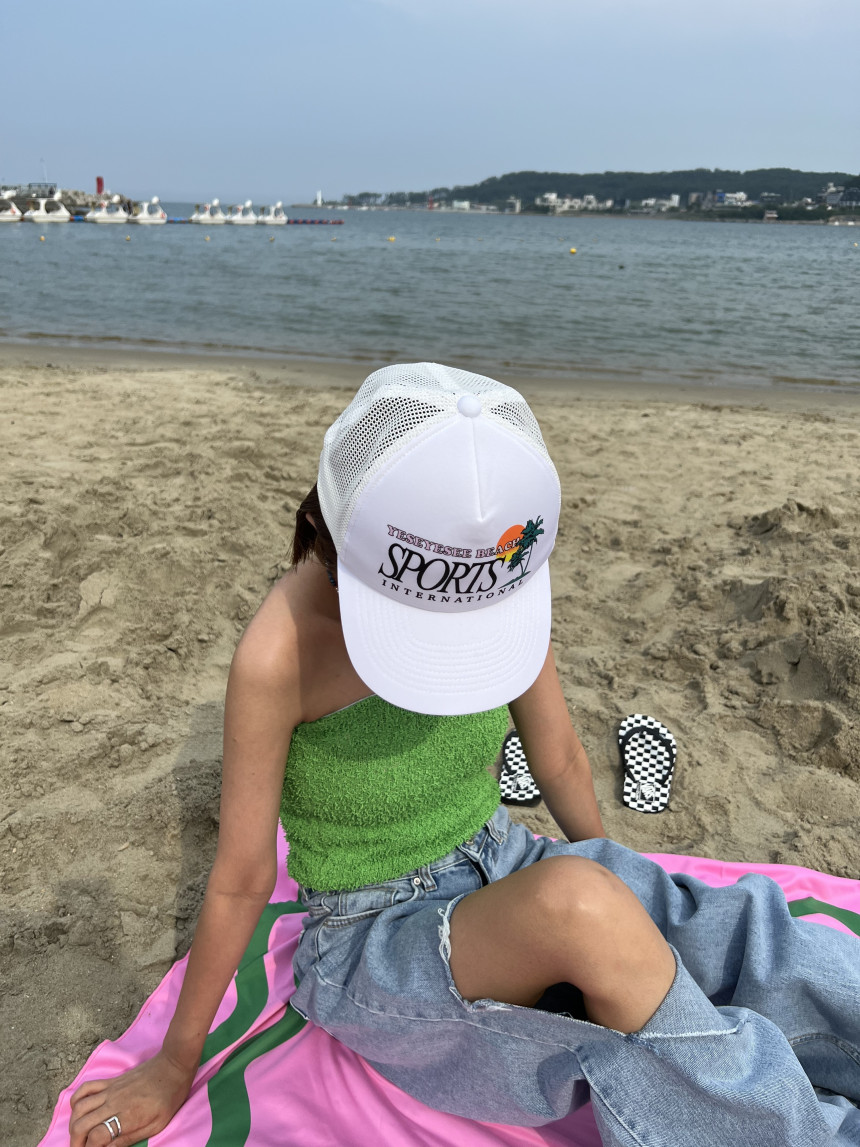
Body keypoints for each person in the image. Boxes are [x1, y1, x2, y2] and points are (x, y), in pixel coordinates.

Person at [70, 363, 860, 1147]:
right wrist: (174, 1063)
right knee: (587, 917)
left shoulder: (495, 572)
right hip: (373, 940)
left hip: (503, 859)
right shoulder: (280, 652)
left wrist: (621, 878)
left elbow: (558, 755)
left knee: (717, 923)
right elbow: (242, 876)